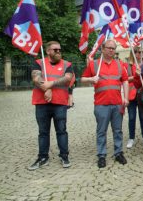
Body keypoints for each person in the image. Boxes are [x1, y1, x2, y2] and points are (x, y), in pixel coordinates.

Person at [81, 39, 129, 168]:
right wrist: (91, 79)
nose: (111, 50)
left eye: (113, 48)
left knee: (118, 130)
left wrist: (126, 97)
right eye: (109, 48)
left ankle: (118, 152)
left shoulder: (120, 64)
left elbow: (125, 81)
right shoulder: (94, 65)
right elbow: (82, 79)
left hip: (117, 103)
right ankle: (101, 155)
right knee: (101, 131)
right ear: (102, 49)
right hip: (101, 104)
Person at [28, 41, 74, 170]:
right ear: (48, 51)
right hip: (42, 103)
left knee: (62, 131)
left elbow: (68, 78)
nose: (58, 51)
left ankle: (64, 155)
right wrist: (46, 89)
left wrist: (51, 85)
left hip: (60, 103)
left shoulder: (67, 64)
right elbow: (36, 78)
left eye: (59, 49)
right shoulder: (38, 63)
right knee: (43, 132)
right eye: (55, 50)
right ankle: (43, 157)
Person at [125, 47, 143, 149]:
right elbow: (125, 79)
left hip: (141, 94)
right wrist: (135, 76)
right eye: (136, 52)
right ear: (132, 53)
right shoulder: (128, 66)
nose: (138, 54)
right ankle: (131, 138)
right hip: (131, 95)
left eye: (140, 52)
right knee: (131, 117)